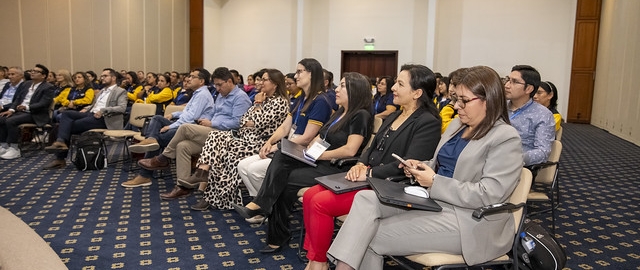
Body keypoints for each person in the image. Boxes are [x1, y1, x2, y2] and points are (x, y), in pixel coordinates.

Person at [327, 65, 525, 270]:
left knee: (369, 233)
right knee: (365, 199)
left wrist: (434, 181)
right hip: (435, 202)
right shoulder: (458, 125)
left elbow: (489, 194)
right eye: (456, 99)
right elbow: (441, 164)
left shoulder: (505, 137)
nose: (457, 106)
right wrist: (421, 167)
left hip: (470, 221)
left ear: (489, 100)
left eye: (464, 101)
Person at [302, 64, 442, 270]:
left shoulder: (427, 122)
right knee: (309, 196)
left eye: (400, 84)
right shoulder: (395, 115)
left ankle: (319, 262)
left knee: (320, 202)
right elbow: (371, 148)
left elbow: (410, 164)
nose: (393, 87)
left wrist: (369, 172)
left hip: (391, 186)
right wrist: (360, 163)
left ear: (417, 93)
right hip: (369, 178)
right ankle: (315, 259)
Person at [233, 72, 373, 254]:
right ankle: (262, 206)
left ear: (356, 91)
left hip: (336, 166)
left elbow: (350, 150)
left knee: (285, 179)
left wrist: (318, 155)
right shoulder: (340, 112)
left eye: (343, 86)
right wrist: (309, 149)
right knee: (281, 156)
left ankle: (271, 224)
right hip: (318, 158)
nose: (336, 90)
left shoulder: (360, 115)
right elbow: (322, 137)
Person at [168, 69, 290, 210]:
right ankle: (204, 176)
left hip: (259, 143)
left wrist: (256, 106)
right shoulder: (263, 98)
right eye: (260, 79)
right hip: (245, 138)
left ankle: (209, 190)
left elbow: (259, 121)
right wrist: (251, 118)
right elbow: (244, 119)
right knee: (215, 139)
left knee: (222, 154)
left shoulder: (279, 102)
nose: (260, 83)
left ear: (275, 84)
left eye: (264, 80)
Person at [236, 58, 333, 223]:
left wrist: (279, 146)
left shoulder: (320, 101)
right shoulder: (302, 98)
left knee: (254, 169)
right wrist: (270, 142)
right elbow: (285, 127)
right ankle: (261, 206)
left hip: (301, 153)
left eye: (300, 71)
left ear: (312, 74)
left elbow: (308, 137)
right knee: (243, 165)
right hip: (289, 148)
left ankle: (266, 206)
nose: (296, 76)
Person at [134, 67, 252, 191]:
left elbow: (237, 123)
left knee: (184, 128)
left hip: (226, 135)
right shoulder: (222, 95)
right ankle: (183, 186)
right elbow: (212, 113)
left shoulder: (240, 97)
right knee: (182, 146)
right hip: (212, 132)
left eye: (219, 85)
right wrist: (205, 121)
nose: (217, 88)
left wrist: (212, 122)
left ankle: (163, 158)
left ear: (229, 81)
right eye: (215, 85)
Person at [121, 68, 216, 187]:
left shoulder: (202, 95)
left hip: (192, 128)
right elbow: (187, 112)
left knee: (159, 139)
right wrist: (173, 114)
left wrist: (170, 126)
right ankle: (151, 141)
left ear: (201, 81)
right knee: (156, 119)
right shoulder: (197, 93)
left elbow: (191, 118)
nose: (188, 79)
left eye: (192, 77)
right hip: (184, 124)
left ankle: (145, 174)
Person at [42, 68, 127, 169]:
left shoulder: (120, 91)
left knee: (63, 126)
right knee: (67, 114)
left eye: (105, 76)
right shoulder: (101, 91)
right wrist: (86, 108)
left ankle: (60, 157)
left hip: (105, 119)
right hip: (91, 114)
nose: (102, 78)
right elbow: (94, 105)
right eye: (102, 76)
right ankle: (61, 142)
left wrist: (103, 110)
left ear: (113, 78)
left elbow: (122, 108)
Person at [0, 64, 56, 159]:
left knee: (11, 121)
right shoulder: (26, 84)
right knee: (2, 118)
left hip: (36, 114)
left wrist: (26, 107)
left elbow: (43, 104)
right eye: (32, 70)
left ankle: (15, 148)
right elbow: (18, 99)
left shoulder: (48, 87)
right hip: (21, 112)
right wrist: (11, 110)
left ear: (43, 76)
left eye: (36, 71)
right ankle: (4, 145)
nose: (32, 72)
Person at [504, 65, 555, 166]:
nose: (507, 85)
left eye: (514, 82)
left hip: (517, 167)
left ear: (528, 89)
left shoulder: (542, 115)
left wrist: (515, 159)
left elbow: (542, 152)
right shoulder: (499, 107)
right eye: (508, 80)